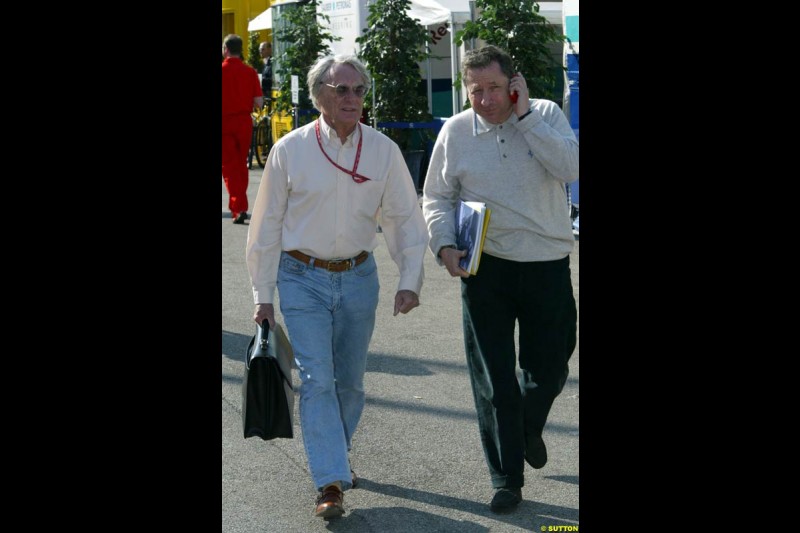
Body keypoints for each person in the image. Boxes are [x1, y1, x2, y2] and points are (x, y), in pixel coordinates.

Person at [245, 54, 428, 519]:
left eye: (359, 90)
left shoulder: (383, 150)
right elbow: (265, 225)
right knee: (317, 382)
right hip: (300, 276)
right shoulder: (291, 149)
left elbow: (404, 217)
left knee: (350, 383)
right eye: (341, 90)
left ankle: (335, 457)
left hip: (359, 277)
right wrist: (262, 295)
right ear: (319, 95)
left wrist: (410, 279)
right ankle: (329, 480)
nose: (352, 98)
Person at [421, 45, 579, 514]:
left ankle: (528, 425)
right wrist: (443, 243)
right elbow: (436, 196)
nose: (486, 100)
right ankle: (507, 477)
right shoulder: (455, 130)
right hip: (483, 266)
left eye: (494, 88)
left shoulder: (545, 115)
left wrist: (526, 115)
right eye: (476, 91)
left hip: (546, 262)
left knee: (550, 366)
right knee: (493, 379)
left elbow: (570, 169)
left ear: (515, 84)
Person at [222, 34, 263, 224]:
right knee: (241, 164)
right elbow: (259, 103)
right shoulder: (250, 72)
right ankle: (240, 206)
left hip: (224, 122)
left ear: (225, 49)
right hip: (243, 122)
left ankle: (238, 208)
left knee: (229, 167)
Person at [259, 41, 273, 110]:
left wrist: (261, 80)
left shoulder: (273, 63)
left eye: (263, 49)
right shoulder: (265, 63)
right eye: (260, 49)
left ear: (269, 49)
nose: (260, 51)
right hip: (265, 96)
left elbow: (272, 79)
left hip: (270, 95)